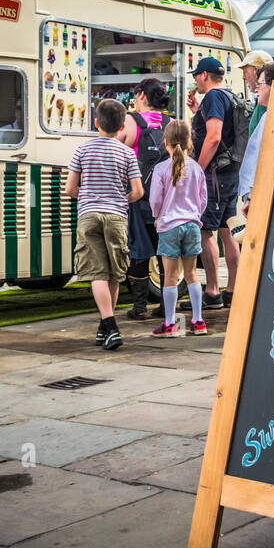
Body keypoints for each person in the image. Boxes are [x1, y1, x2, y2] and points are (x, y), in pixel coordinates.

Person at [65, 98, 142, 350]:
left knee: (96, 273)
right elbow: (138, 191)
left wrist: (88, 197)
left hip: (88, 215)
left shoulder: (82, 150)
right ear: (122, 127)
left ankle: (109, 326)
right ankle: (106, 327)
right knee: (114, 273)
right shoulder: (127, 152)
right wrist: (121, 199)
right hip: (117, 216)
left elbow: (70, 188)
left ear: (96, 123)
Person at [188, 55, 240, 311]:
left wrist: (198, 169)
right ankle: (232, 289)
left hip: (214, 175)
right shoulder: (228, 96)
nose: (196, 79)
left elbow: (214, 137)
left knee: (205, 230)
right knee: (227, 230)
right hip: (231, 173)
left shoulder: (213, 97)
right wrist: (198, 112)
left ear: (204, 75)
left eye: (196, 75)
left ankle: (211, 291)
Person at [116, 78, 170, 319]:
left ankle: (139, 307)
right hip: (167, 200)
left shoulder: (129, 121)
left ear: (140, 95)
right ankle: (166, 306)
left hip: (138, 197)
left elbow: (115, 151)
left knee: (138, 249)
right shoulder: (172, 123)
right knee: (165, 250)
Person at [148, 119, 208, 336]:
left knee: (171, 276)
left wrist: (157, 216)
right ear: (189, 141)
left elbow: (155, 199)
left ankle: (170, 323)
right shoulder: (197, 168)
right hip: (191, 224)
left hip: (169, 226)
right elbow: (203, 199)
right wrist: (194, 215)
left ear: (166, 142)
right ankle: (199, 321)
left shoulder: (161, 168)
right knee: (191, 273)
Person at [238, 60, 274, 216]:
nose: (256, 89)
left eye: (260, 84)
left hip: (265, 195)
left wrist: (252, 197)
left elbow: (263, 158)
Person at [239, 50, 272, 133]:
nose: (243, 77)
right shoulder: (262, 100)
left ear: (256, 71)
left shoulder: (265, 102)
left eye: (245, 72)